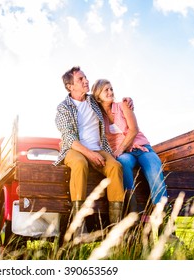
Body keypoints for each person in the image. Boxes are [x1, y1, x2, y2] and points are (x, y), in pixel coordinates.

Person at [54, 66, 131, 238]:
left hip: (99, 147)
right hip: (74, 149)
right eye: (81, 79)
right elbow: (68, 138)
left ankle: (115, 229)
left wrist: (126, 100)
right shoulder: (63, 108)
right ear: (70, 86)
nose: (86, 81)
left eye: (85, 77)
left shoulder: (93, 102)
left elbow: (110, 101)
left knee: (115, 167)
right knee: (80, 164)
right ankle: (78, 227)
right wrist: (89, 154)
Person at [91, 79, 168, 217]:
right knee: (123, 164)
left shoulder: (123, 105)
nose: (110, 92)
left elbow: (133, 130)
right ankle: (133, 214)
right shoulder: (99, 116)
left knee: (155, 173)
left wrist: (119, 149)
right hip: (126, 154)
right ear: (98, 96)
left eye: (111, 89)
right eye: (106, 90)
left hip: (142, 148)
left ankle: (167, 229)